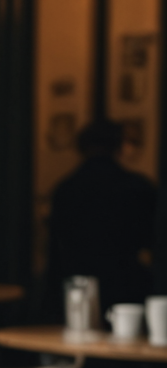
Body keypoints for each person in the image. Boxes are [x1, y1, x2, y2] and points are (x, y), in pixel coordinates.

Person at [47, 119, 158, 310]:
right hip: (126, 282)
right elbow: (151, 238)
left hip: (77, 284)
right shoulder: (136, 186)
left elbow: (57, 245)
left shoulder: (66, 189)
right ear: (119, 146)